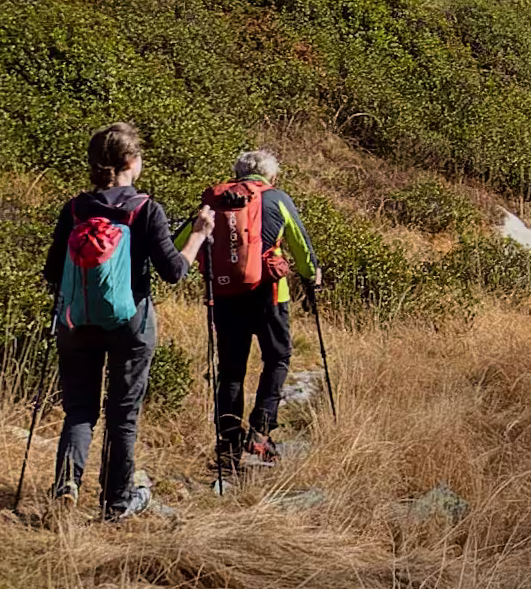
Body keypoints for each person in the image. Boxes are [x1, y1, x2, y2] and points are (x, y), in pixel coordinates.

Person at [40, 122, 187, 520]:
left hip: (77, 321)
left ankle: (66, 485)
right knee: (123, 414)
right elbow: (173, 271)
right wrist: (197, 237)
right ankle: (115, 502)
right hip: (131, 323)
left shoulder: (74, 209)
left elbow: (52, 271)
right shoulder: (145, 208)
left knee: (80, 410)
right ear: (130, 162)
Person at [190, 143, 324, 479]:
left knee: (232, 370)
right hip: (269, 295)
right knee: (277, 359)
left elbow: (183, 244)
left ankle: (228, 445)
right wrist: (312, 276)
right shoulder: (277, 198)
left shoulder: (215, 201)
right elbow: (301, 247)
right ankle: (260, 434)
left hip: (224, 295)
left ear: (237, 174)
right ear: (270, 175)